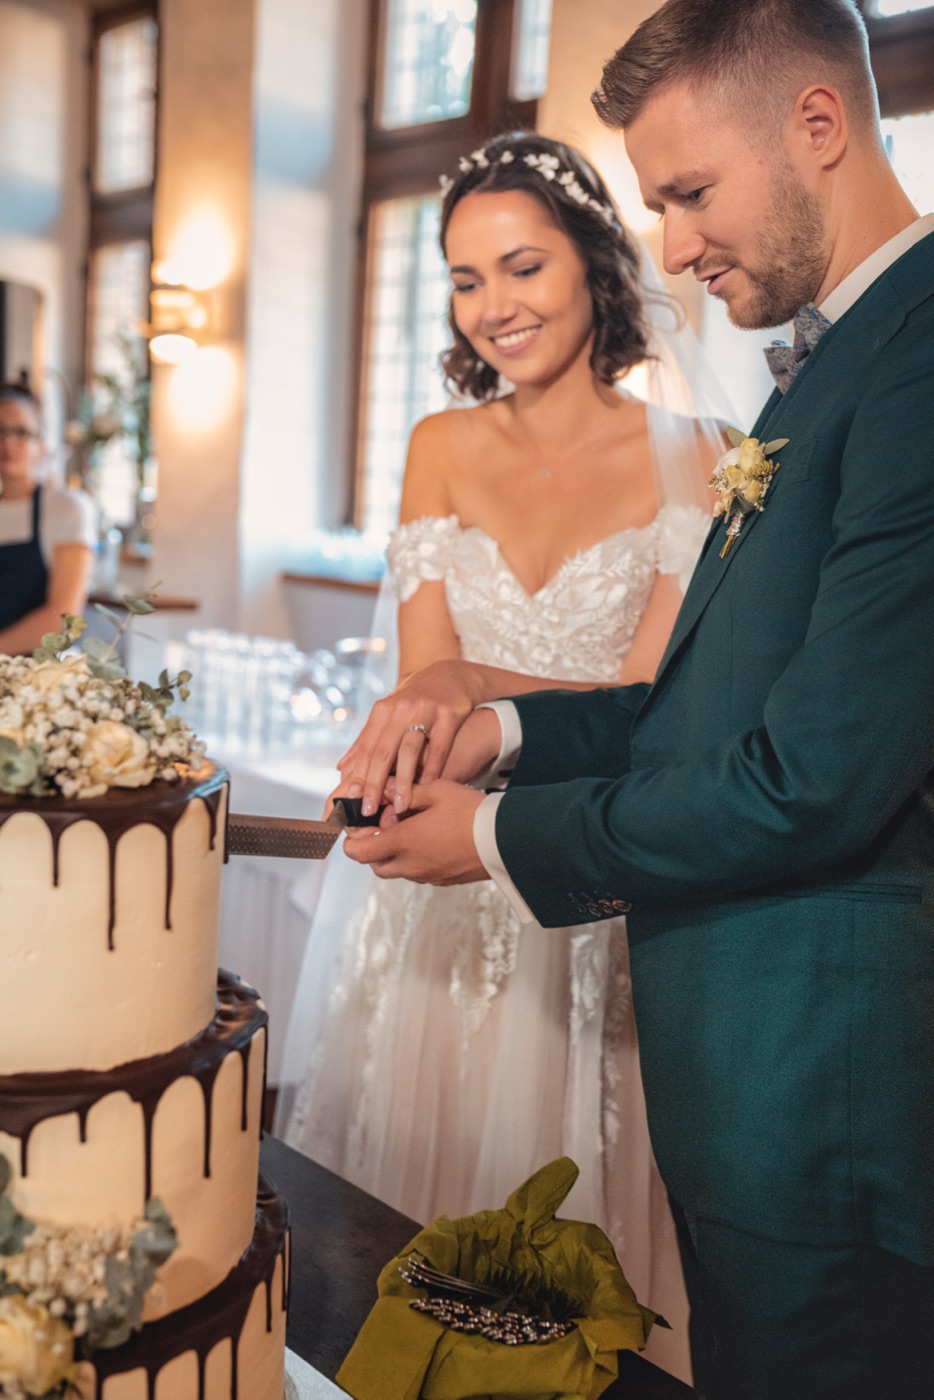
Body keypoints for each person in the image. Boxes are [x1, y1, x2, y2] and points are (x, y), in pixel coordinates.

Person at [339, 2, 934, 1396]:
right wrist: (497, 726)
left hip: (819, 1101)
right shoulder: (832, 363)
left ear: (816, 125)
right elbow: (697, 706)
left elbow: (807, 778)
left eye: (688, 192)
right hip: (747, 1088)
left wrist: (491, 838)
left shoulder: (913, 361)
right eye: (656, 204)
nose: (671, 241)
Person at [278, 132, 728, 1379]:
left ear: (592, 262)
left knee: (564, 1281)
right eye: (465, 280)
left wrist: (475, 684)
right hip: (433, 896)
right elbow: (425, 688)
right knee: (394, 1235)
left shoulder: (696, 450)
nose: (494, 309)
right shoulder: (438, 442)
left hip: (579, 886)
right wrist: (445, 702)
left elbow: (655, 703)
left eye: (520, 267)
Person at [0, 380, 95, 654]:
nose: (8, 442)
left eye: (21, 432)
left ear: (41, 444)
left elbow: (63, 619)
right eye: (0, 431)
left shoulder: (67, 508)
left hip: (39, 680)